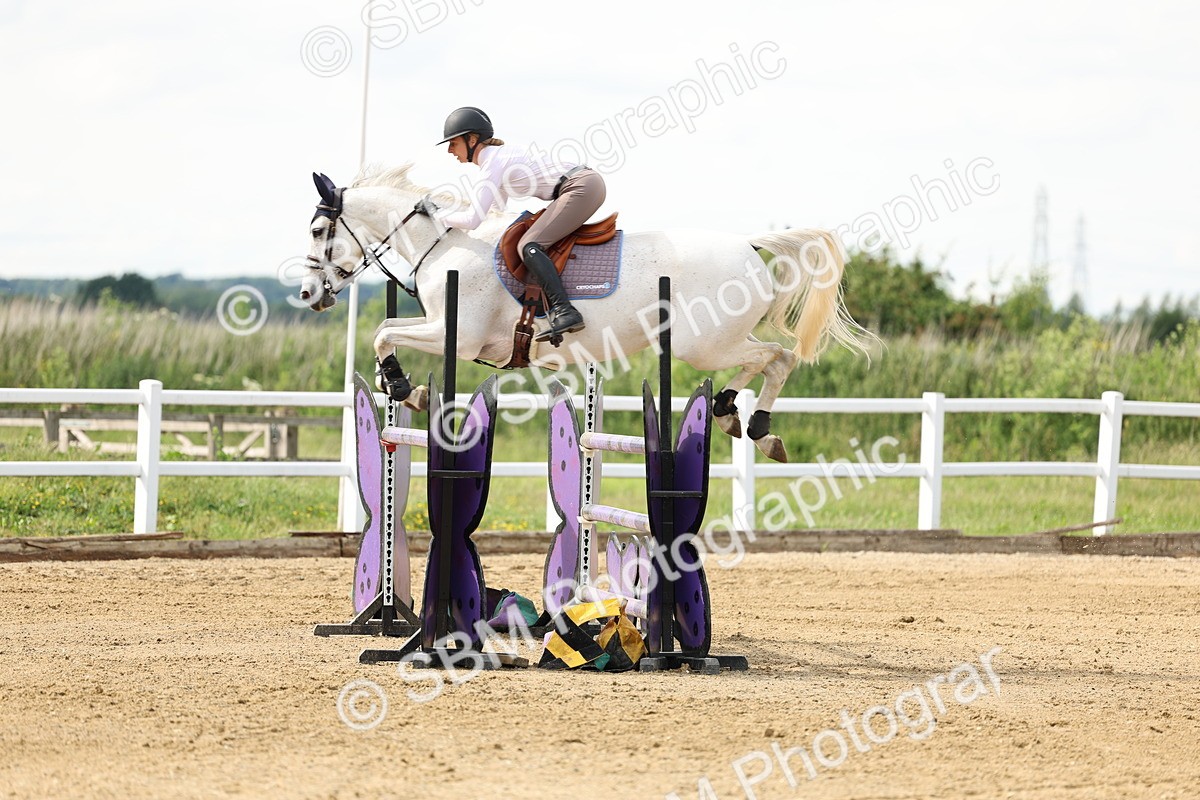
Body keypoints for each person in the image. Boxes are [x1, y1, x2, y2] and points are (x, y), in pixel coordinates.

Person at [431, 106, 605, 342]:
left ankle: (566, 311)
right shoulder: (495, 161)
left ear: (472, 139)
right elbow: (496, 213)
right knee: (526, 240)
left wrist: (436, 214)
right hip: (580, 185)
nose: (450, 150)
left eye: (453, 143)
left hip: (580, 187)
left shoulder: (493, 163)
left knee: (530, 244)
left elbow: (473, 220)